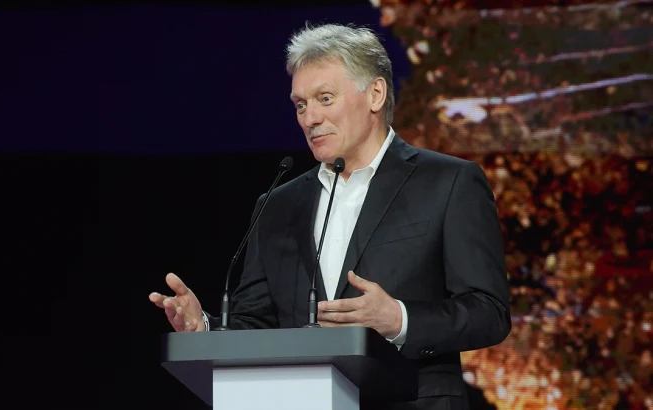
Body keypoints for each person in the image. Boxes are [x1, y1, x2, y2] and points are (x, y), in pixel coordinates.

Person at [149, 23, 511, 410]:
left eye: (325, 98)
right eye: (300, 105)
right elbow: (256, 323)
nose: (310, 118)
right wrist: (203, 327)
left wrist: (400, 319)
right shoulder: (277, 204)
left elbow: (489, 311)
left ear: (375, 94)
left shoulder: (449, 182)